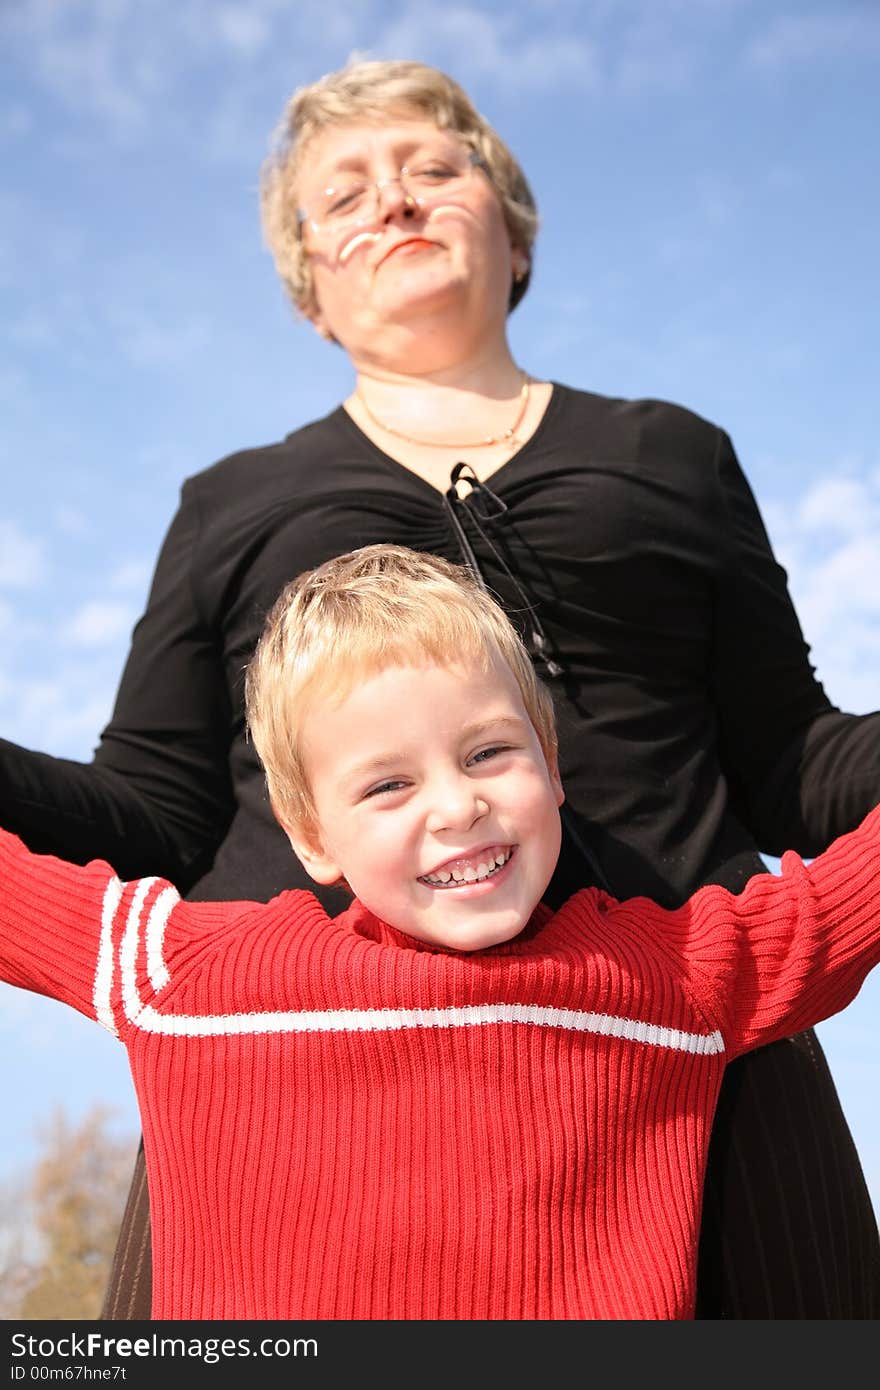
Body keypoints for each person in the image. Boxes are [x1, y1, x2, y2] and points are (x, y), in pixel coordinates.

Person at [1, 59, 878, 1320]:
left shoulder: (670, 452)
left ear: (510, 220)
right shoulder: (228, 501)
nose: (394, 203)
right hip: (292, 1075)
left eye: (433, 169)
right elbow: (153, 809)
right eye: (343, 195)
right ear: (308, 288)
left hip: (683, 1033)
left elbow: (791, 754)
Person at [2, 544, 880, 1321]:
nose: (459, 806)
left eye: (487, 753)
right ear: (310, 836)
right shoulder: (196, 977)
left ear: (551, 764)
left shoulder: (671, 975)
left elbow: (847, 892)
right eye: (387, 785)